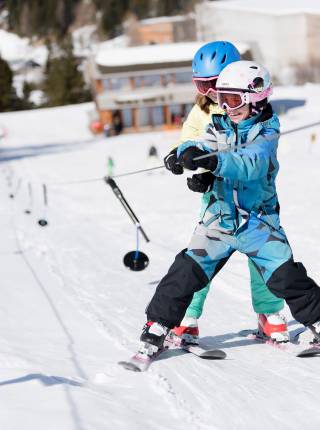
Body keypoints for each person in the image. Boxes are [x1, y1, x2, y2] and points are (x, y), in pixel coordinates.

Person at [139, 60, 320, 358]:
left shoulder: (267, 132)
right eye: (222, 99)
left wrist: (213, 162)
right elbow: (201, 144)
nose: (227, 106)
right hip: (218, 223)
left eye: (234, 99)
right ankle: (157, 326)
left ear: (255, 97)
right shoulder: (219, 124)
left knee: (285, 277)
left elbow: (251, 164)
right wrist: (182, 155)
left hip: (259, 225)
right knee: (186, 270)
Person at [164, 41, 287, 345]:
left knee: (265, 256)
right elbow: (191, 142)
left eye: (213, 85)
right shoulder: (201, 112)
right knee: (200, 257)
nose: (209, 94)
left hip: (256, 199)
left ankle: (269, 313)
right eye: (201, 85)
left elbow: (260, 152)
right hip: (218, 201)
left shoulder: (253, 108)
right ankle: (187, 318)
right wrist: (186, 164)